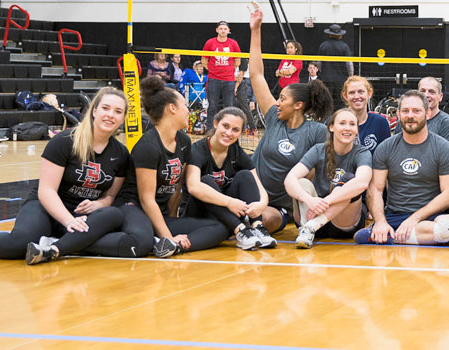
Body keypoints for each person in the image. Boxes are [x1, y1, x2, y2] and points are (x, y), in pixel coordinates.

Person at [0, 87, 128, 264]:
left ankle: (53, 244)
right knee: (19, 244)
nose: (111, 115)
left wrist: (98, 204)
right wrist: (68, 221)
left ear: (123, 118)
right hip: (47, 207)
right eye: (105, 108)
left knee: (113, 214)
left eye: (118, 111)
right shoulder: (65, 141)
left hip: (83, 216)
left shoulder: (121, 154)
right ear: (94, 110)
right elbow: (46, 191)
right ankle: (62, 240)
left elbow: (110, 196)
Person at [116, 76, 227, 258]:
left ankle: (172, 247)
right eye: (184, 106)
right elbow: (147, 200)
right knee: (140, 240)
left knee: (219, 227)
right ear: (172, 108)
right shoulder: (148, 147)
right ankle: (164, 242)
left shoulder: (183, 141)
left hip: (160, 213)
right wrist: (168, 235)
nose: (187, 110)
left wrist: (173, 221)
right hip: (135, 209)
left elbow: (176, 189)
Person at [248, 8, 330, 234]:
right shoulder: (275, 118)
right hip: (251, 195)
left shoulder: (316, 131)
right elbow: (256, 76)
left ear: (298, 105)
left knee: (266, 219)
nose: (277, 102)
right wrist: (255, 31)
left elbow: (318, 174)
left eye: (282, 98)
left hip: (280, 207)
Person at [355, 90, 449, 245]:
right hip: (394, 215)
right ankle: (403, 235)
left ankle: (393, 238)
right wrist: (380, 222)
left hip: (429, 217)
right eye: (405, 111)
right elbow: (375, 190)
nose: (410, 116)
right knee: (359, 237)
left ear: (427, 113)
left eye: (416, 111)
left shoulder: (443, 148)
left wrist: (414, 219)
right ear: (398, 114)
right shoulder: (386, 147)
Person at [184, 107, 274, 250]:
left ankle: (257, 228)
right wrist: (229, 202)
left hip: (227, 213)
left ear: (240, 133)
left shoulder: (236, 152)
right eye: (225, 126)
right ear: (215, 123)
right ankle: (241, 231)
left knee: (245, 175)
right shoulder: (198, 150)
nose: (228, 133)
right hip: (200, 212)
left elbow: (257, 184)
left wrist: (262, 204)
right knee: (206, 181)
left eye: (235, 130)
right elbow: (193, 186)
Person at [286, 108, 371, 248]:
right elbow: (289, 179)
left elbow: (362, 182)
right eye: (342, 123)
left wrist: (325, 202)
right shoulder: (318, 149)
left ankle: (310, 228)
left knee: (350, 180)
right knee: (301, 182)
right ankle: (307, 229)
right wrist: (310, 200)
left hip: (342, 225)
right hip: (313, 215)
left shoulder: (361, 152)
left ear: (356, 129)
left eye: (352, 124)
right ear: (331, 127)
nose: (347, 128)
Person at [391, 77, 449, 143]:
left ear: (440, 97)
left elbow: (448, 153)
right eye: (422, 91)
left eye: (432, 92)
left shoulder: (448, 124)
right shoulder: (406, 120)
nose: (426, 95)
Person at [202, 20, 242, 129]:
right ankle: (210, 129)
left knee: (229, 107)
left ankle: (228, 128)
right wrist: (213, 70)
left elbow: (237, 60)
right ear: (217, 30)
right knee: (212, 106)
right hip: (213, 79)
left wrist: (229, 70)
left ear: (228, 31)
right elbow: (204, 60)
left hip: (229, 80)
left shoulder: (233, 43)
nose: (223, 31)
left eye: (225, 29)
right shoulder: (210, 42)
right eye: (221, 28)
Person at [340, 75, 391, 155]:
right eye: (352, 93)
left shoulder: (380, 123)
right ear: (345, 96)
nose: (356, 96)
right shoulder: (335, 122)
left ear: (369, 93)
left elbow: (386, 157)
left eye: (361, 92)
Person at [318, 24, 353, 108]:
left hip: (326, 79)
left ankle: (327, 120)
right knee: (340, 104)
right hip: (341, 80)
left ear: (329, 34)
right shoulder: (344, 46)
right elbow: (349, 64)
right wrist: (350, 76)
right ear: (340, 35)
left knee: (327, 104)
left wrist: (323, 72)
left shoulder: (323, 45)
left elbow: (319, 63)